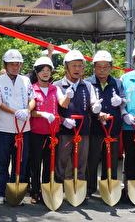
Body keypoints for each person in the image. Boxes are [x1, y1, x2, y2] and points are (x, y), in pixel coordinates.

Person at [0, 49, 35, 205]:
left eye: (18, 64)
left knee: (21, 161)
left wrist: (27, 110)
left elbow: (33, 99)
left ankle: (14, 191)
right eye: (12, 64)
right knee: (2, 161)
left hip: (24, 128)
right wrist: (15, 111)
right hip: (4, 127)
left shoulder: (26, 80)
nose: (15, 67)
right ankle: (0, 192)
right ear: (6, 64)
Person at [53, 50, 100, 186]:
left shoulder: (88, 85)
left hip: (83, 129)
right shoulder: (57, 85)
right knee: (62, 160)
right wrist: (63, 120)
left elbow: (93, 104)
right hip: (64, 130)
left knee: (81, 161)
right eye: (74, 65)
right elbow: (53, 110)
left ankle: (78, 188)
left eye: (80, 66)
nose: (77, 69)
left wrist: (97, 108)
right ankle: (59, 188)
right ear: (66, 67)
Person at [86, 50, 124, 198]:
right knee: (93, 159)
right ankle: (90, 188)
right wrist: (96, 113)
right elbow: (86, 106)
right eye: (99, 67)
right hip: (95, 129)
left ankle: (109, 187)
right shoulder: (88, 83)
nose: (102, 70)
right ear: (94, 67)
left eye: (106, 67)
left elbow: (122, 101)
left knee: (112, 160)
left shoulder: (117, 83)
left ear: (111, 68)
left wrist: (121, 100)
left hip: (113, 129)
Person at [28, 56, 64, 204]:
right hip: (36, 132)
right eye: (42, 70)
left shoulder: (55, 88)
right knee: (35, 163)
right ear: (36, 72)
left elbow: (63, 103)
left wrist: (68, 96)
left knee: (50, 164)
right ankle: (35, 191)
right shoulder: (32, 88)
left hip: (53, 133)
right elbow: (30, 111)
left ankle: (46, 191)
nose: (45, 73)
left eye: (48, 70)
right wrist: (41, 114)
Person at [121, 48, 135, 195]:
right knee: (130, 157)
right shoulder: (125, 79)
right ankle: (129, 191)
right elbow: (119, 101)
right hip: (129, 126)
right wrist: (125, 113)